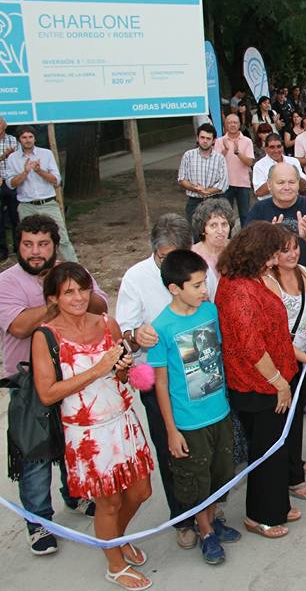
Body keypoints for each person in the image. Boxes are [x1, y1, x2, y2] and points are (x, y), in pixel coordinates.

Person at [33, 263, 153, 588]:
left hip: (123, 421)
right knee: (109, 502)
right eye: (68, 291)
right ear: (54, 298)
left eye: (83, 289)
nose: (78, 297)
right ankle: (114, 564)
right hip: (87, 434)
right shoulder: (46, 336)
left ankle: (116, 538)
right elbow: (47, 393)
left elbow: (120, 375)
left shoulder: (106, 323)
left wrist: (122, 368)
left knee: (141, 491)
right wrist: (99, 368)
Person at [0, 216, 107, 554]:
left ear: (54, 246)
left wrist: (70, 286)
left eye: (43, 244)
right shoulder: (7, 282)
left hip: (73, 371)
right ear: (18, 245)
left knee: (73, 440)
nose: (35, 251)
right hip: (27, 380)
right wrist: (54, 299)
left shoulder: (71, 271)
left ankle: (75, 495)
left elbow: (101, 306)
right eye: (28, 244)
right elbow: (18, 327)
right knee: (36, 452)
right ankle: (39, 522)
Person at [116, 214, 208, 549]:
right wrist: (136, 335)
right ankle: (183, 518)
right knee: (172, 449)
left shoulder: (197, 269)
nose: (173, 265)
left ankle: (209, 511)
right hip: (158, 381)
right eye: (165, 258)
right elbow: (122, 332)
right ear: (153, 251)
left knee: (203, 446)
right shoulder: (136, 278)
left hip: (198, 373)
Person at [149, 250, 241, 566]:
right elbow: (160, 383)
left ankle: (213, 519)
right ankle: (205, 532)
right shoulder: (161, 327)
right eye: (198, 285)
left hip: (220, 412)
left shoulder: (210, 312)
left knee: (221, 473)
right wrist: (172, 431)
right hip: (189, 422)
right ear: (175, 288)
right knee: (196, 480)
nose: (205, 290)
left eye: (205, 283)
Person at [216, 222, 300, 538]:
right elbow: (252, 347)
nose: (275, 259)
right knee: (266, 453)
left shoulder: (251, 278)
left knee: (275, 449)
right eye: (271, 253)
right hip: (258, 385)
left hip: (270, 379)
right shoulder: (238, 291)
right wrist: (280, 383)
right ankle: (260, 516)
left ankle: (276, 505)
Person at [261, 226, 306, 496]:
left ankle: (294, 460)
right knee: (281, 418)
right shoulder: (267, 281)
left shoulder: (305, 273)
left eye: (295, 247)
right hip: (280, 361)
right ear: (271, 254)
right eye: (284, 250)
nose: (292, 254)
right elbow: (273, 335)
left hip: (303, 357)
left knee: (296, 414)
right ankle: (292, 478)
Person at [6, 126, 78, 262]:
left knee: (62, 238)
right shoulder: (13, 159)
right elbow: (11, 184)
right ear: (19, 140)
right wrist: (25, 172)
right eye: (24, 137)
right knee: (30, 241)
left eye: (30, 137)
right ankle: (34, 270)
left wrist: (39, 171)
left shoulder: (46, 154)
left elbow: (56, 180)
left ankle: (76, 268)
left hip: (48, 203)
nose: (28, 140)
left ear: (35, 138)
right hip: (26, 205)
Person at [245, 162, 306, 272]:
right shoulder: (259, 209)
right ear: (269, 185)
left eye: (291, 182)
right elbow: (247, 250)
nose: (287, 187)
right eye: (280, 183)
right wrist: (270, 239)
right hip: (270, 277)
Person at [177, 123, 228, 225]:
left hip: (214, 202)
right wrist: (195, 189)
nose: (205, 141)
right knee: (194, 233)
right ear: (197, 138)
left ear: (213, 141)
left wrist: (207, 191)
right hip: (194, 201)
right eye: (202, 137)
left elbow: (224, 183)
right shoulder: (188, 155)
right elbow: (181, 179)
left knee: (212, 232)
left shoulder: (219, 158)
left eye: (208, 138)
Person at [191, 198, 234, 300]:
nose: (220, 230)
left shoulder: (237, 249)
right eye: (213, 225)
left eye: (224, 224)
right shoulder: (193, 255)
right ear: (202, 229)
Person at [216, 113, 255, 221]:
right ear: (225, 125)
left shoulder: (247, 141)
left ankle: (245, 238)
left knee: (245, 215)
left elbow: (249, 162)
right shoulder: (219, 141)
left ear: (239, 124)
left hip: (243, 184)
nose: (232, 125)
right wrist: (224, 152)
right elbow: (215, 164)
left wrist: (237, 152)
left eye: (235, 122)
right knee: (224, 216)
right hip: (225, 184)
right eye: (229, 122)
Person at [252, 133, 306, 199]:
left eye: (279, 146)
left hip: (292, 203)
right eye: (272, 147)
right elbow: (259, 192)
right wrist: (279, 177)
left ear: (283, 147)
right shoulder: (259, 166)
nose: (276, 150)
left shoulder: (293, 161)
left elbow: (303, 187)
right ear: (265, 149)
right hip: (269, 206)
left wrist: (294, 174)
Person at [0, 116, 20, 260]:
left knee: (16, 217)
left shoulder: (14, 140)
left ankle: (18, 247)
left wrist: (13, 156)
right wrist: (3, 156)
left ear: (5, 126)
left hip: (12, 184)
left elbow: (21, 160)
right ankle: (2, 250)